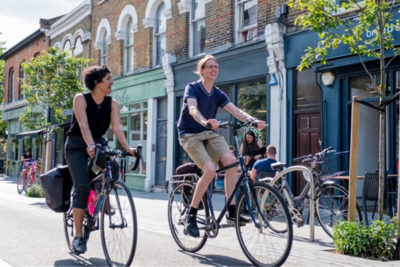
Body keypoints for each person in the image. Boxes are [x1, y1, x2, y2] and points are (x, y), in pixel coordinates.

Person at [177, 54, 266, 237]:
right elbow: (192, 109)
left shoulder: (217, 93)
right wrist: (205, 121)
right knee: (209, 169)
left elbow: (235, 111)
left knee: (231, 162)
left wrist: (252, 120)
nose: (214, 69)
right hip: (190, 134)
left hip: (208, 133)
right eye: (209, 66)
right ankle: (191, 216)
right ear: (202, 71)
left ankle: (232, 212)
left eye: (216, 66)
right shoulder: (192, 88)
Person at [65, 65, 136, 254]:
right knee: (81, 187)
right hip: (77, 146)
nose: (112, 82)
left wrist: (127, 148)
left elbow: (117, 128)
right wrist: (89, 145)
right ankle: (78, 237)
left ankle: (100, 200)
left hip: (98, 144)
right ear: (96, 82)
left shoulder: (113, 103)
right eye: (108, 79)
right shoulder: (81, 99)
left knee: (110, 170)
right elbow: (83, 124)